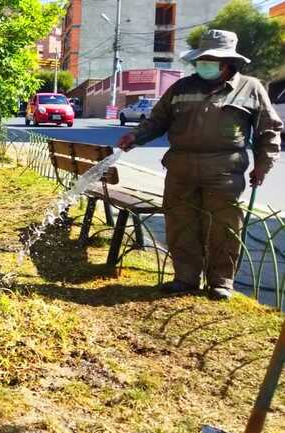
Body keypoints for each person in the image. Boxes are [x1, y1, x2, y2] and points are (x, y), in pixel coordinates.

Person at [117, 29, 282, 300]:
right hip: (180, 169)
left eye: (211, 59)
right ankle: (185, 278)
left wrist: (263, 163)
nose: (203, 64)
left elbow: (269, 130)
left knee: (224, 227)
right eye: (201, 59)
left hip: (224, 171)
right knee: (181, 224)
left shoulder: (251, 88)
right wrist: (136, 136)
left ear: (228, 63)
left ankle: (221, 282)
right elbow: (158, 120)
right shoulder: (181, 88)